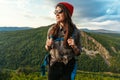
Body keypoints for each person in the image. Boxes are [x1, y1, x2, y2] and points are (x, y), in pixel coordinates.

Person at [45, 2, 82, 80]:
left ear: (67, 13)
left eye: (59, 11)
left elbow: (78, 53)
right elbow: (47, 48)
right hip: (54, 66)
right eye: (55, 12)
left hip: (68, 67)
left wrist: (74, 46)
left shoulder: (75, 32)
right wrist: (48, 45)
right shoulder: (52, 30)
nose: (56, 14)